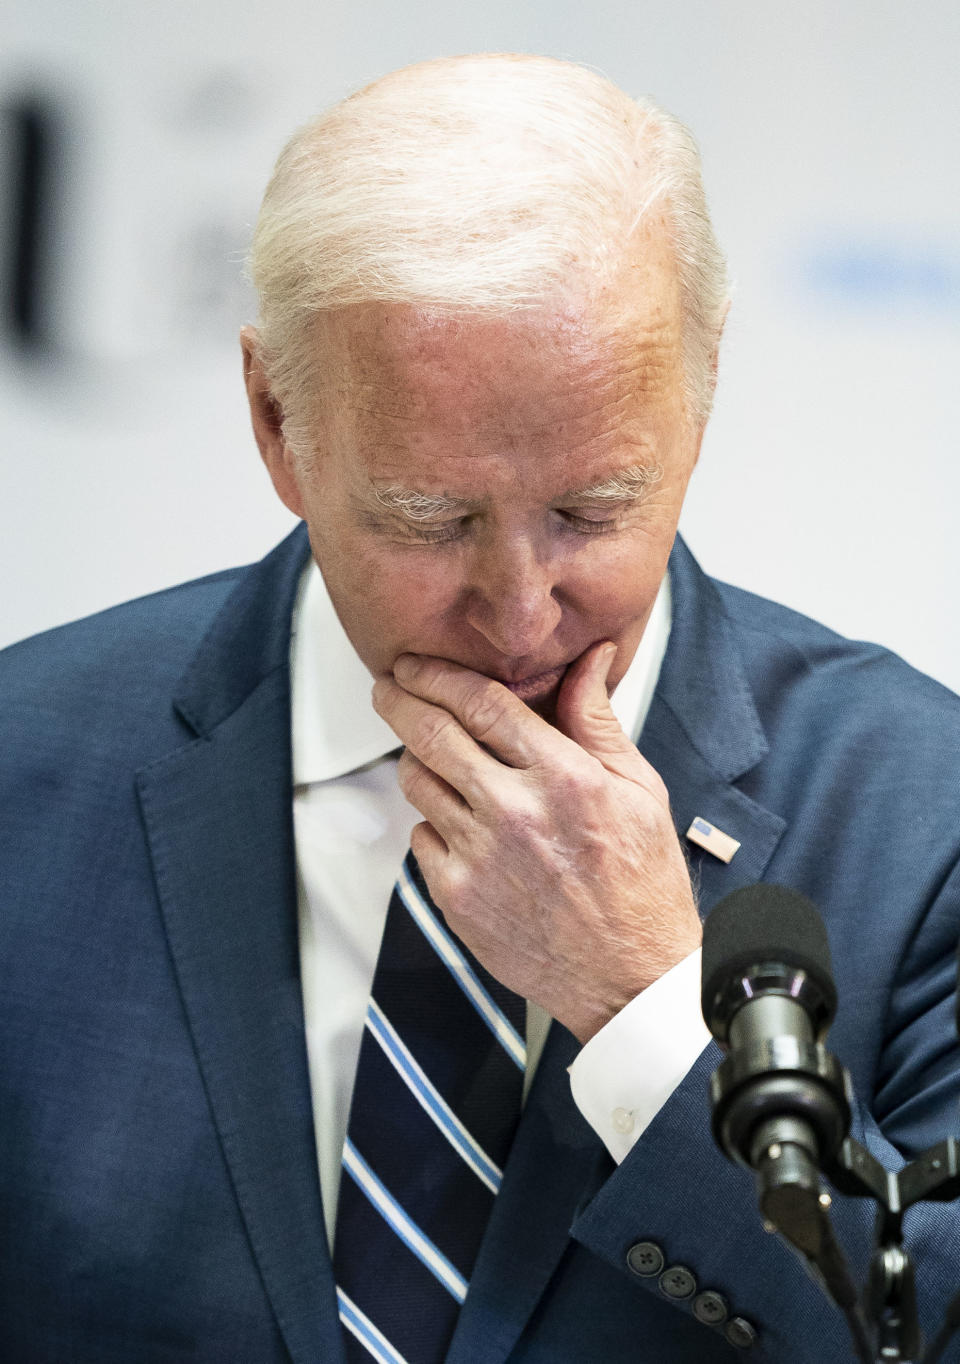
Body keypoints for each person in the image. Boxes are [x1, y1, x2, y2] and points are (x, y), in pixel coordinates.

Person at [1, 52, 959, 1364]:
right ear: (277, 421)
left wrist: (647, 1010)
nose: (519, 614)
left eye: (592, 511)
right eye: (429, 519)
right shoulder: (23, 768)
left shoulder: (925, 806)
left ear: (705, 388)